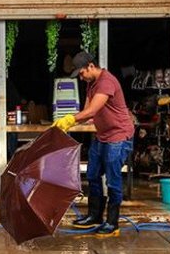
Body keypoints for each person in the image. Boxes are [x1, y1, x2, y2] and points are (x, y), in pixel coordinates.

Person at [53, 51, 134, 235]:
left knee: (113, 181)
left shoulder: (106, 82)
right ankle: (94, 216)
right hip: (103, 135)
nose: (81, 78)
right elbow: (87, 112)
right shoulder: (91, 84)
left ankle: (112, 223)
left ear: (90, 66)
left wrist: (70, 120)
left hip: (118, 136)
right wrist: (66, 122)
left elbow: (92, 111)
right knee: (92, 174)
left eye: (82, 73)